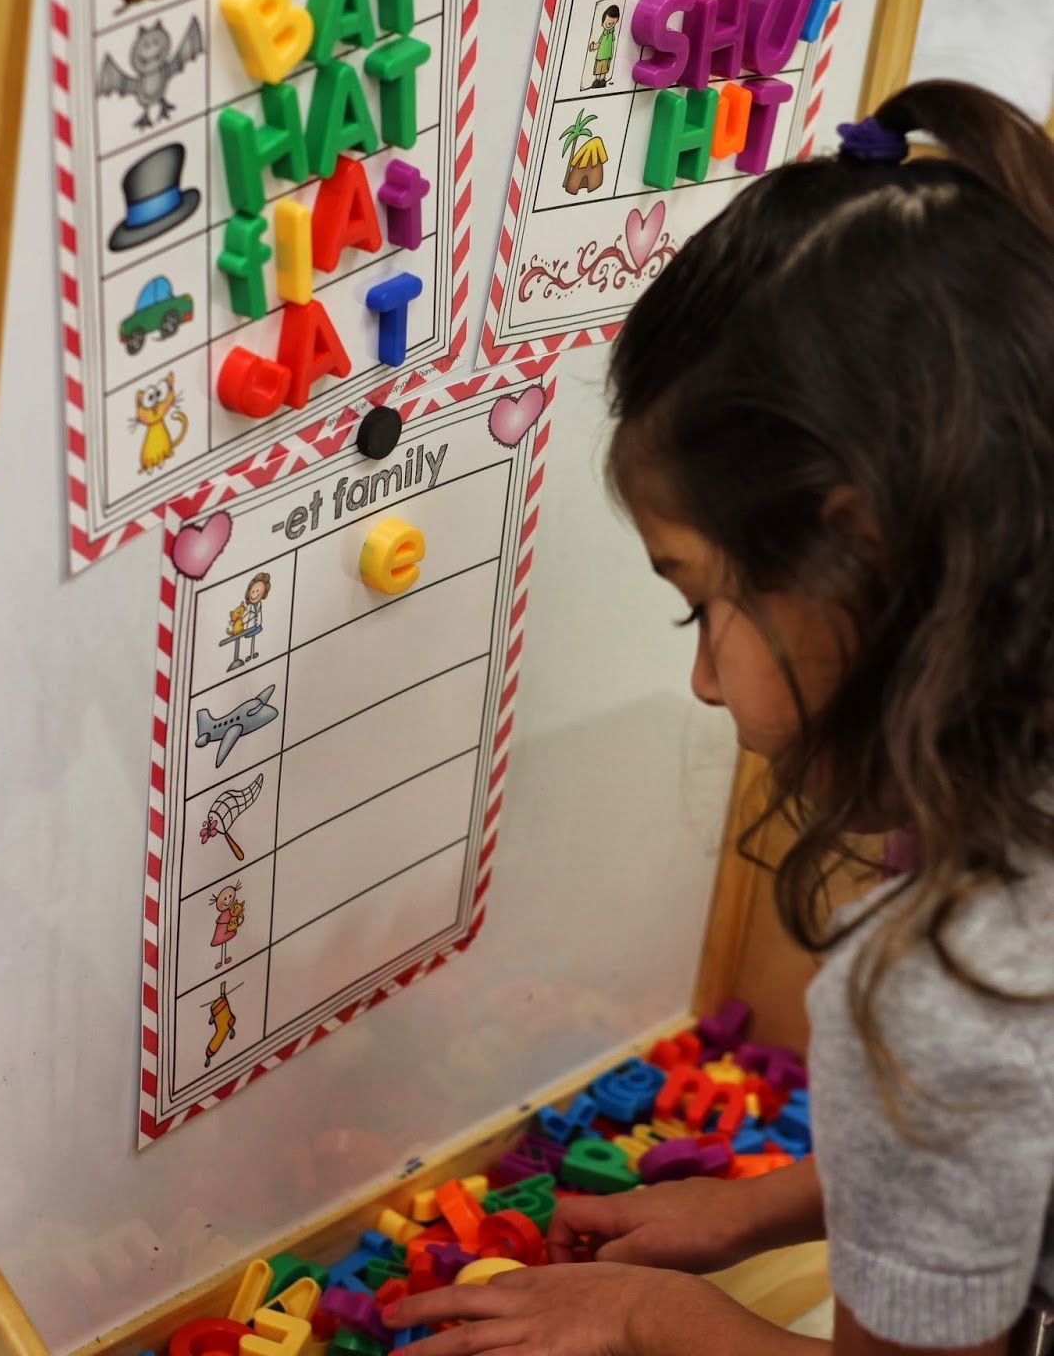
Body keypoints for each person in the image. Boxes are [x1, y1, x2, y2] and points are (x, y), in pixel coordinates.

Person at [385, 81, 1054, 1356]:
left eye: (699, 602)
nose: (701, 680)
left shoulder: (954, 980)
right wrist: (772, 1208)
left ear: (852, 551)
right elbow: (1015, 1128)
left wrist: (652, 1313)